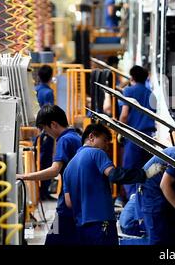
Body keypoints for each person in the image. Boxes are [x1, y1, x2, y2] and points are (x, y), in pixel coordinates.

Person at [62, 123, 164, 245]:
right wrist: (145, 174)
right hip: (101, 224)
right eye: (105, 141)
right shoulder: (96, 153)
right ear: (91, 137)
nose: (106, 147)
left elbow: (68, 202)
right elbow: (114, 174)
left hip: (81, 228)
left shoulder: (68, 168)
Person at [17, 105, 82, 245]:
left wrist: (24, 176)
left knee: (53, 239)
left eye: (45, 129)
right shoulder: (75, 136)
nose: (45, 133)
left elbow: (54, 170)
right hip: (77, 200)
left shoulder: (64, 140)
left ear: (53, 124)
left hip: (67, 204)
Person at [119, 65, 156, 199]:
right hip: (149, 138)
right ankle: (142, 199)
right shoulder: (150, 93)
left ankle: (132, 200)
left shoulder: (128, 91)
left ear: (132, 77)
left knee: (129, 170)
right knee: (145, 171)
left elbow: (124, 114)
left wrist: (120, 131)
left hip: (133, 136)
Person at [140, 145, 175, 245]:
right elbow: (165, 185)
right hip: (153, 200)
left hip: (159, 196)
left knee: (173, 236)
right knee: (160, 239)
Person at [34, 65, 56, 200]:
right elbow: (49, 113)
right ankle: (44, 192)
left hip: (36, 132)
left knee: (37, 161)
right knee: (46, 161)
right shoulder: (48, 93)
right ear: (50, 77)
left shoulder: (34, 90)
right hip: (46, 132)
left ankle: (38, 192)